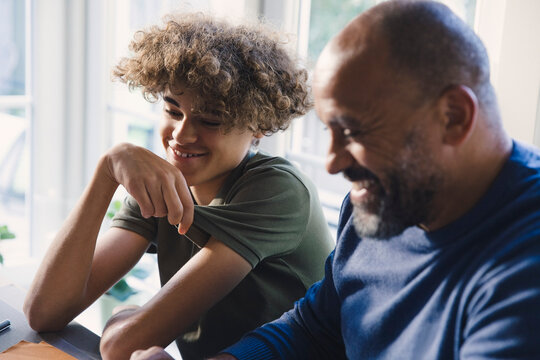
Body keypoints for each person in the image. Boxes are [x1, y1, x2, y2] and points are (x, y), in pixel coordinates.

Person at [201, 0, 539, 358]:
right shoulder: (381, 203)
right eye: (329, 130)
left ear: (453, 117)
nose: (332, 163)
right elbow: (314, 328)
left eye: (353, 131)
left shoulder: (524, 263)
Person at [22, 12, 335, 360]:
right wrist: (106, 172)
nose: (182, 135)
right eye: (173, 111)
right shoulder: (167, 183)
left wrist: (120, 316)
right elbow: (44, 312)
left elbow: (120, 346)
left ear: (258, 127)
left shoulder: (278, 192)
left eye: (210, 119)